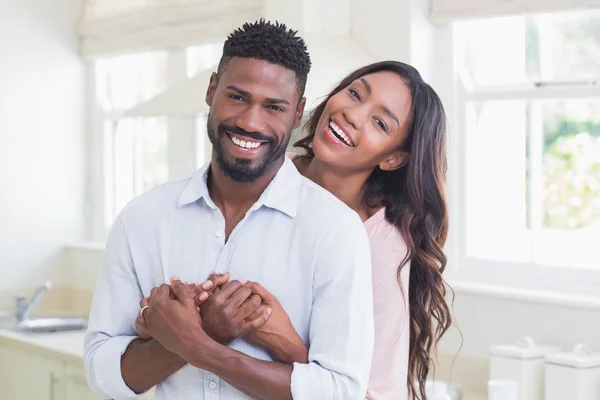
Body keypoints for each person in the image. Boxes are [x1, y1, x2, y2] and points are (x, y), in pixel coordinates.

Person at [83, 20, 375, 400]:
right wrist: (207, 331)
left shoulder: (334, 230)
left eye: (274, 106)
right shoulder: (143, 219)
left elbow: (339, 390)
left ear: (298, 111)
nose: (250, 122)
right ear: (211, 90)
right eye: (237, 97)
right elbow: (102, 373)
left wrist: (198, 343)